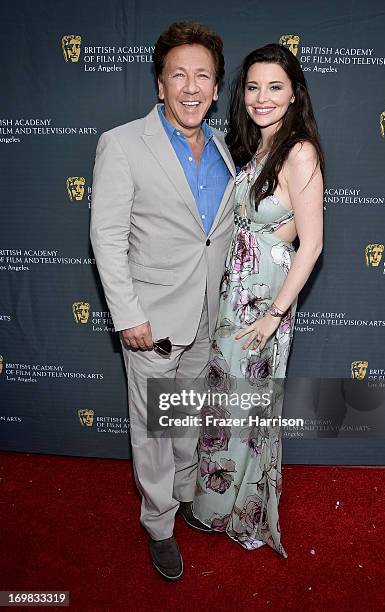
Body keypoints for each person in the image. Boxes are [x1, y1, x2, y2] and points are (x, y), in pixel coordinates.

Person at [90, 21, 235, 580]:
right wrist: (127, 316)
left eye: (203, 76)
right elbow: (107, 236)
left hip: (205, 316)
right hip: (150, 322)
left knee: (186, 419)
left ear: (217, 88)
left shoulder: (224, 148)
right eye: (179, 75)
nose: (191, 86)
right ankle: (158, 524)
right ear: (160, 85)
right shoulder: (123, 144)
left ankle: (183, 497)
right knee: (152, 431)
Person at [193, 43, 324, 557]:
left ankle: (239, 510)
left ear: (294, 95)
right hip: (237, 294)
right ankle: (216, 503)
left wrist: (273, 316)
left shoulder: (300, 151)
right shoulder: (257, 149)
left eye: (275, 87)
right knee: (230, 402)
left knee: (247, 404)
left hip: (263, 302)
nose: (261, 97)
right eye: (252, 86)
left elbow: (311, 245)